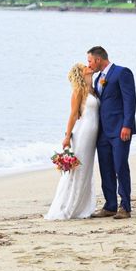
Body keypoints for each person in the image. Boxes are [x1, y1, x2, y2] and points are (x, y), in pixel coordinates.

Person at [86, 46, 136, 220]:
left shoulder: (122, 73)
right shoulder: (98, 78)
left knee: (120, 166)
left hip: (120, 130)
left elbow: (130, 100)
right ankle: (110, 205)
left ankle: (125, 206)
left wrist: (127, 125)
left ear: (98, 59)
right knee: (106, 168)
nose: (89, 64)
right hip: (103, 132)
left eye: (90, 61)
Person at [44, 63, 99, 220]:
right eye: (85, 67)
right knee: (78, 170)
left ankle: (83, 206)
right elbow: (73, 115)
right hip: (82, 133)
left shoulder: (93, 90)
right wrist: (67, 136)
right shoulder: (78, 91)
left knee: (86, 170)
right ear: (80, 74)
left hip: (92, 135)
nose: (89, 67)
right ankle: (68, 207)